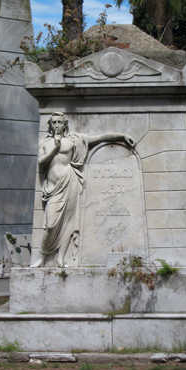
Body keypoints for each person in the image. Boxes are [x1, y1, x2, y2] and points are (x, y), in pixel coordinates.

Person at [30, 112, 136, 267]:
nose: (57, 125)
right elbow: (41, 162)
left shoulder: (74, 141)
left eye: (60, 122)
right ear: (50, 125)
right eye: (54, 123)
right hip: (53, 188)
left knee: (69, 222)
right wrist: (55, 148)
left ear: (65, 124)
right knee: (50, 224)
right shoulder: (44, 143)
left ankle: (60, 259)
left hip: (70, 181)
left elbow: (99, 138)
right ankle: (42, 258)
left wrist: (121, 136)